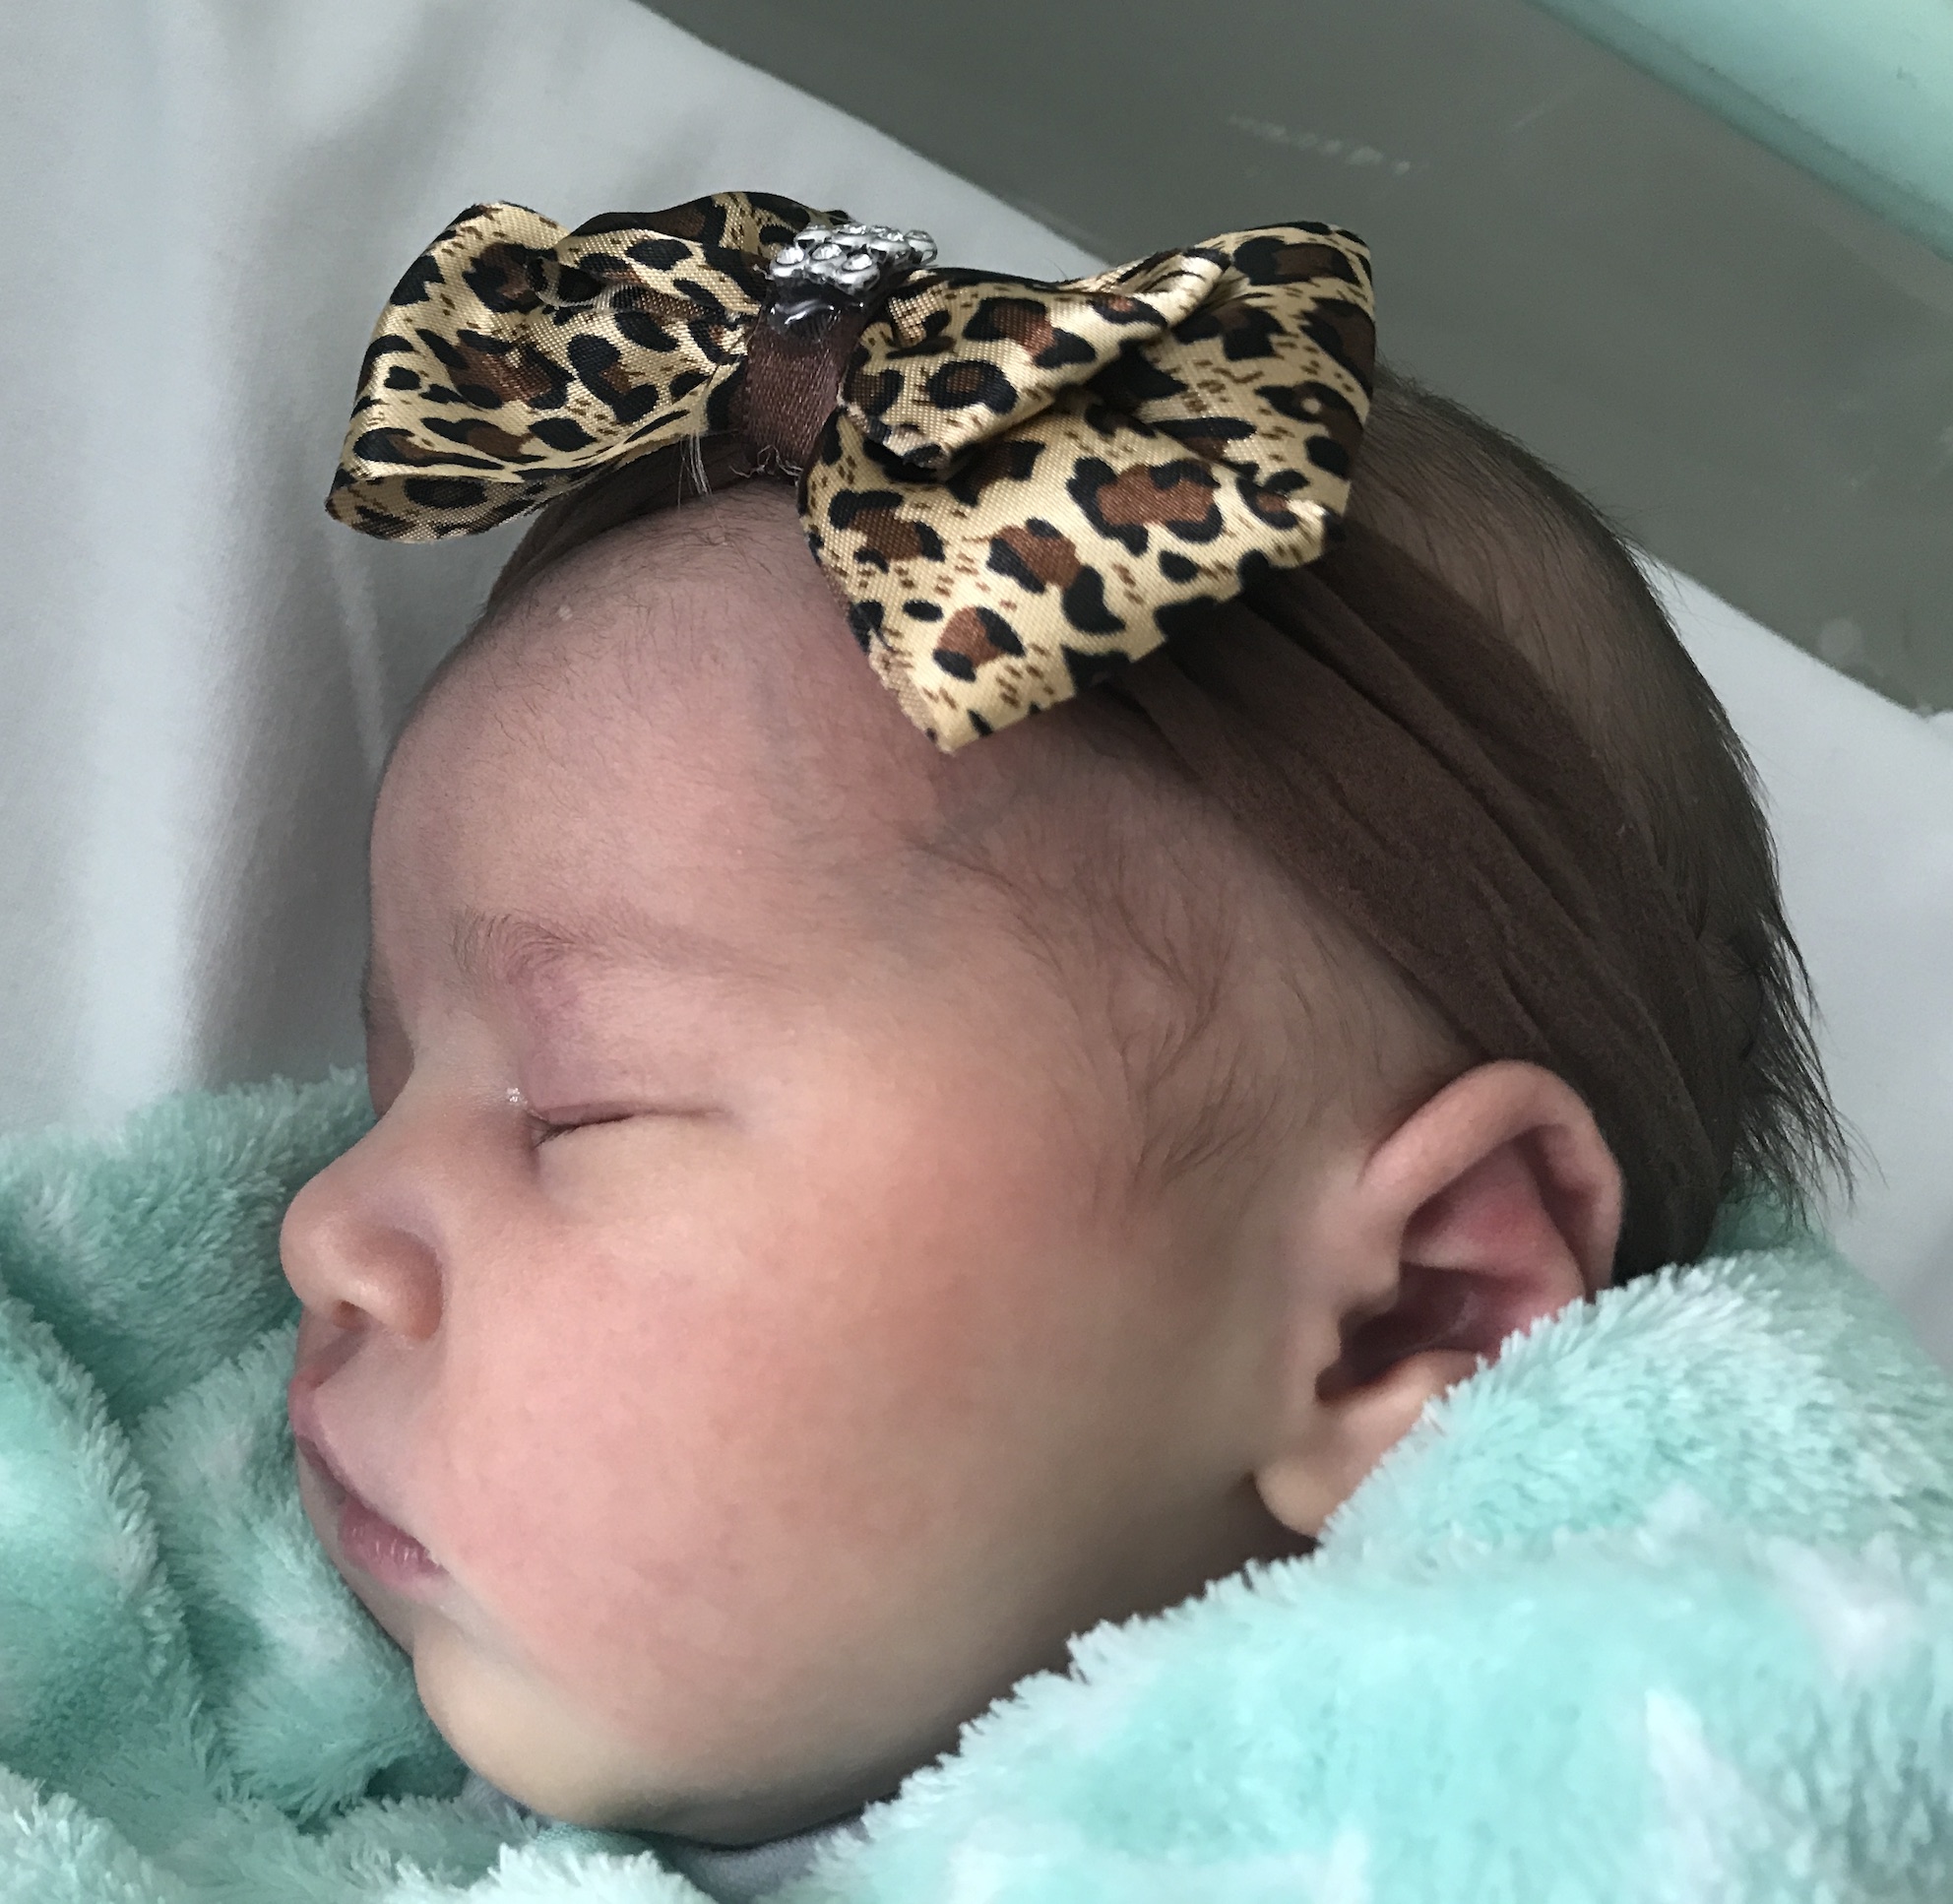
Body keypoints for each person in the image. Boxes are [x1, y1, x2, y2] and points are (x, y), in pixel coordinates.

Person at [11, 188, 1934, 1903]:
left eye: (575, 1109)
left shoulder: (1630, 1781)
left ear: (1411, 1308)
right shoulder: (193, 1628)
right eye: (384, 1074)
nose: (322, 1227)